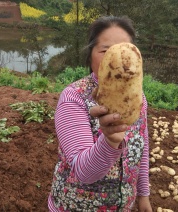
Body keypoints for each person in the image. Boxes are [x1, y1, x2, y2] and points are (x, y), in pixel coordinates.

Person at [48, 16, 152, 212]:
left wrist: (143, 195)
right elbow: (84, 172)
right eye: (105, 50)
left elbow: (143, 148)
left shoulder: (138, 99)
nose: (117, 59)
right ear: (90, 55)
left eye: (124, 50)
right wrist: (110, 142)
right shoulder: (74, 97)